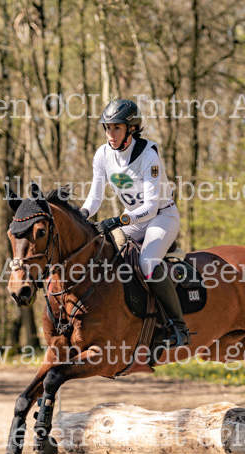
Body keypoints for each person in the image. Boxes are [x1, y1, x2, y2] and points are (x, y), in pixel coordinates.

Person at [79, 99, 190, 348]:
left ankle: (179, 327)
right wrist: (81, 214)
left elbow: (151, 206)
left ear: (132, 129)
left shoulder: (148, 155)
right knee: (105, 253)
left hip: (162, 217)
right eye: (108, 128)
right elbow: (95, 197)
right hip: (134, 219)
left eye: (117, 128)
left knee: (147, 262)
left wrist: (118, 220)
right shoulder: (102, 154)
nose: (111, 134)